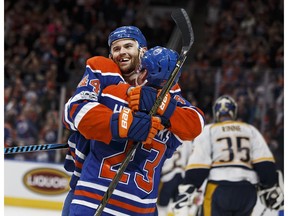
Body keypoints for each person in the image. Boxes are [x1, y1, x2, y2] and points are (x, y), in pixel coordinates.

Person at [62, 26, 205, 216]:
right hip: (93, 191)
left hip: (136, 201)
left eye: (128, 46)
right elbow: (72, 112)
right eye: (116, 48)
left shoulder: (165, 91)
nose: (122, 52)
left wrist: (161, 105)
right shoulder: (104, 73)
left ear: (142, 51)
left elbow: (195, 123)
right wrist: (125, 122)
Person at [172, 95, 284, 216]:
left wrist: (189, 187)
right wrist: (270, 186)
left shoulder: (209, 130)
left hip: (219, 188)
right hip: (247, 191)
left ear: (216, 113)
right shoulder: (250, 129)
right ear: (234, 112)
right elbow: (264, 163)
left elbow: (199, 164)